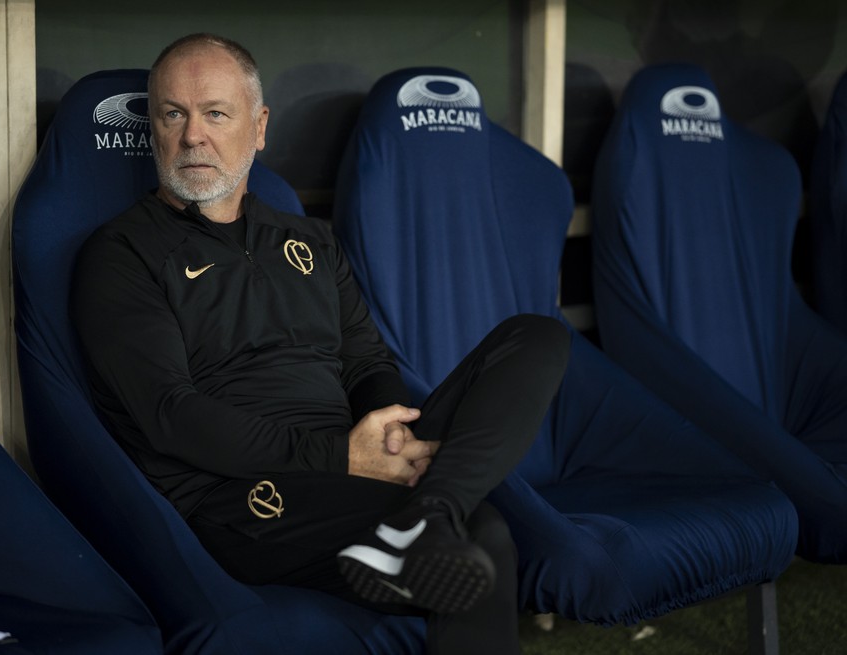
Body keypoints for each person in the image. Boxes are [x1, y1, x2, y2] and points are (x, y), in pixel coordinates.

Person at [71, 33, 570, 654]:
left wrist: (390, 440)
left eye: (216, 113)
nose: (193, 135)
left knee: (536, 336)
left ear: (259, 128)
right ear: (153, 129)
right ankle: (430, 523)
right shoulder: (122, 254)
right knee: (485, 534)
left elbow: (366, 362)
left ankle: (429, 514)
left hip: (354, 462)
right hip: (240, 497)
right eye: (173, 114)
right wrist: (342, 457)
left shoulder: (309, 239)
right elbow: (171, 415)